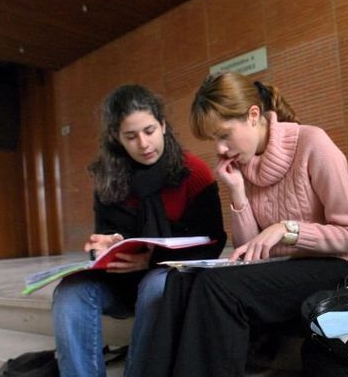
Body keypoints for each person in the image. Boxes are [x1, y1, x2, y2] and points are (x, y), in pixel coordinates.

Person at [144, 71, 348, 376]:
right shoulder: (241, 165)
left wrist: (287, 231)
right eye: (214, 140)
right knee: (180, 281)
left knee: (215, 287)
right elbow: (250, 252)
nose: (220, 149)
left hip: (331, 268)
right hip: (278, 272)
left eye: (223, 135)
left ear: (253, 115)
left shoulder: (313, 143)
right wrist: (237, 193)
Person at [51, 84, 227, 377]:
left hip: (168, 279)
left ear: (163, 125)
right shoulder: (108, 179)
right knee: (70, 292)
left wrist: (151, 260)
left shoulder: (193, 173)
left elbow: (213, 242)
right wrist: (104, 245)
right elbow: (104, 236)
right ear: (116, 139)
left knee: (156, 284)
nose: (143, 144)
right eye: (130, 136)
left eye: (149, 131)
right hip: (121, 282)